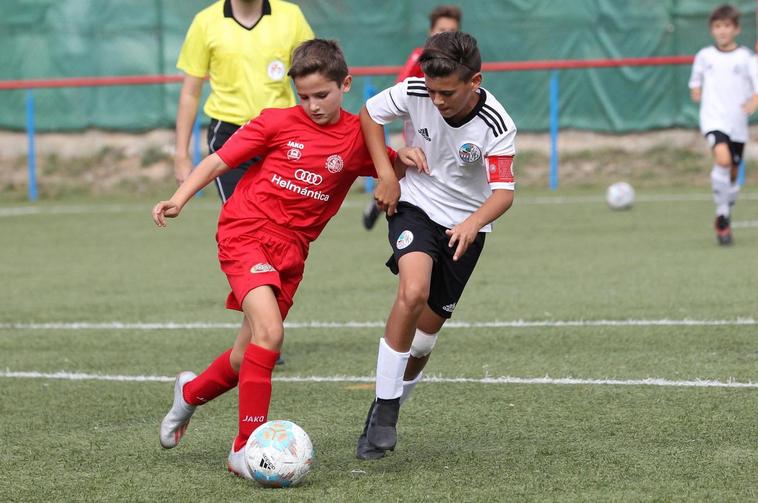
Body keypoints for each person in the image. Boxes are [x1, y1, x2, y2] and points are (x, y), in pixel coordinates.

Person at [153, 39, 418, 477]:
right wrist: (180, 197)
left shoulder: (357, 137)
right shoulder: (276, 122)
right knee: (271, 336)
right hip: (246, 231)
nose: (312, 105)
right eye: (304, 96)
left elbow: (392, 165)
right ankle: (243, 449)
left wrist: (404, 159)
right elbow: (219, 161)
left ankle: (190, 392)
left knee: (246, 356)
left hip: (292, 251)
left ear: (345, 84)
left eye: (322, 95)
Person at [355, 31, 517, 460]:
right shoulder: (415, 89)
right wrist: (386, 174)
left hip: (466, 226)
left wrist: (473, 223)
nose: (437, 100)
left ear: (475, 81)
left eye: (447, 92)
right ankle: (387, 410)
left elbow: (503, 192)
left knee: (423, 344)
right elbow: (369, 116)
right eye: (432, 91)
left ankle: (380, 412)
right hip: (415, 207)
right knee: (413, 291)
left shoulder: (497, 124)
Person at [175, 0, 313, 364]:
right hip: (230, 137)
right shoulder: (205, 22)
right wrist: (180, 153)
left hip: (281, 135)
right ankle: (263, 332)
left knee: (280, 232)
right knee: (249, 230)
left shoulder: (291, 16)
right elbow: (190, 91)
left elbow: (315, 72)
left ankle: (263, 329)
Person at [362, 5, 463, 230]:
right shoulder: (420, 57)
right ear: (430, 32)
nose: (445, 35)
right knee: (411, 169)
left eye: (451, 31)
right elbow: (401, 89)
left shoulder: (462, 62)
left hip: (449, 134)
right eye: (440, 30)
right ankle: (383, 203)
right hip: (421, 132)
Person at [689, 4, 758, 245]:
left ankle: (723, 216)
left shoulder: (747, 57)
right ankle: (722, 216)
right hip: (713, 119)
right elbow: (695, 81)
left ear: (736, 29)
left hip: (737, 122)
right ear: (711, 30)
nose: (722, 31)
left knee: (732, 174)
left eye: (727, 26)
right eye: (717, 26)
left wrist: (754, 100)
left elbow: (757, 87)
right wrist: (696, 90)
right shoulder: (704, 56)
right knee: (723, 159)